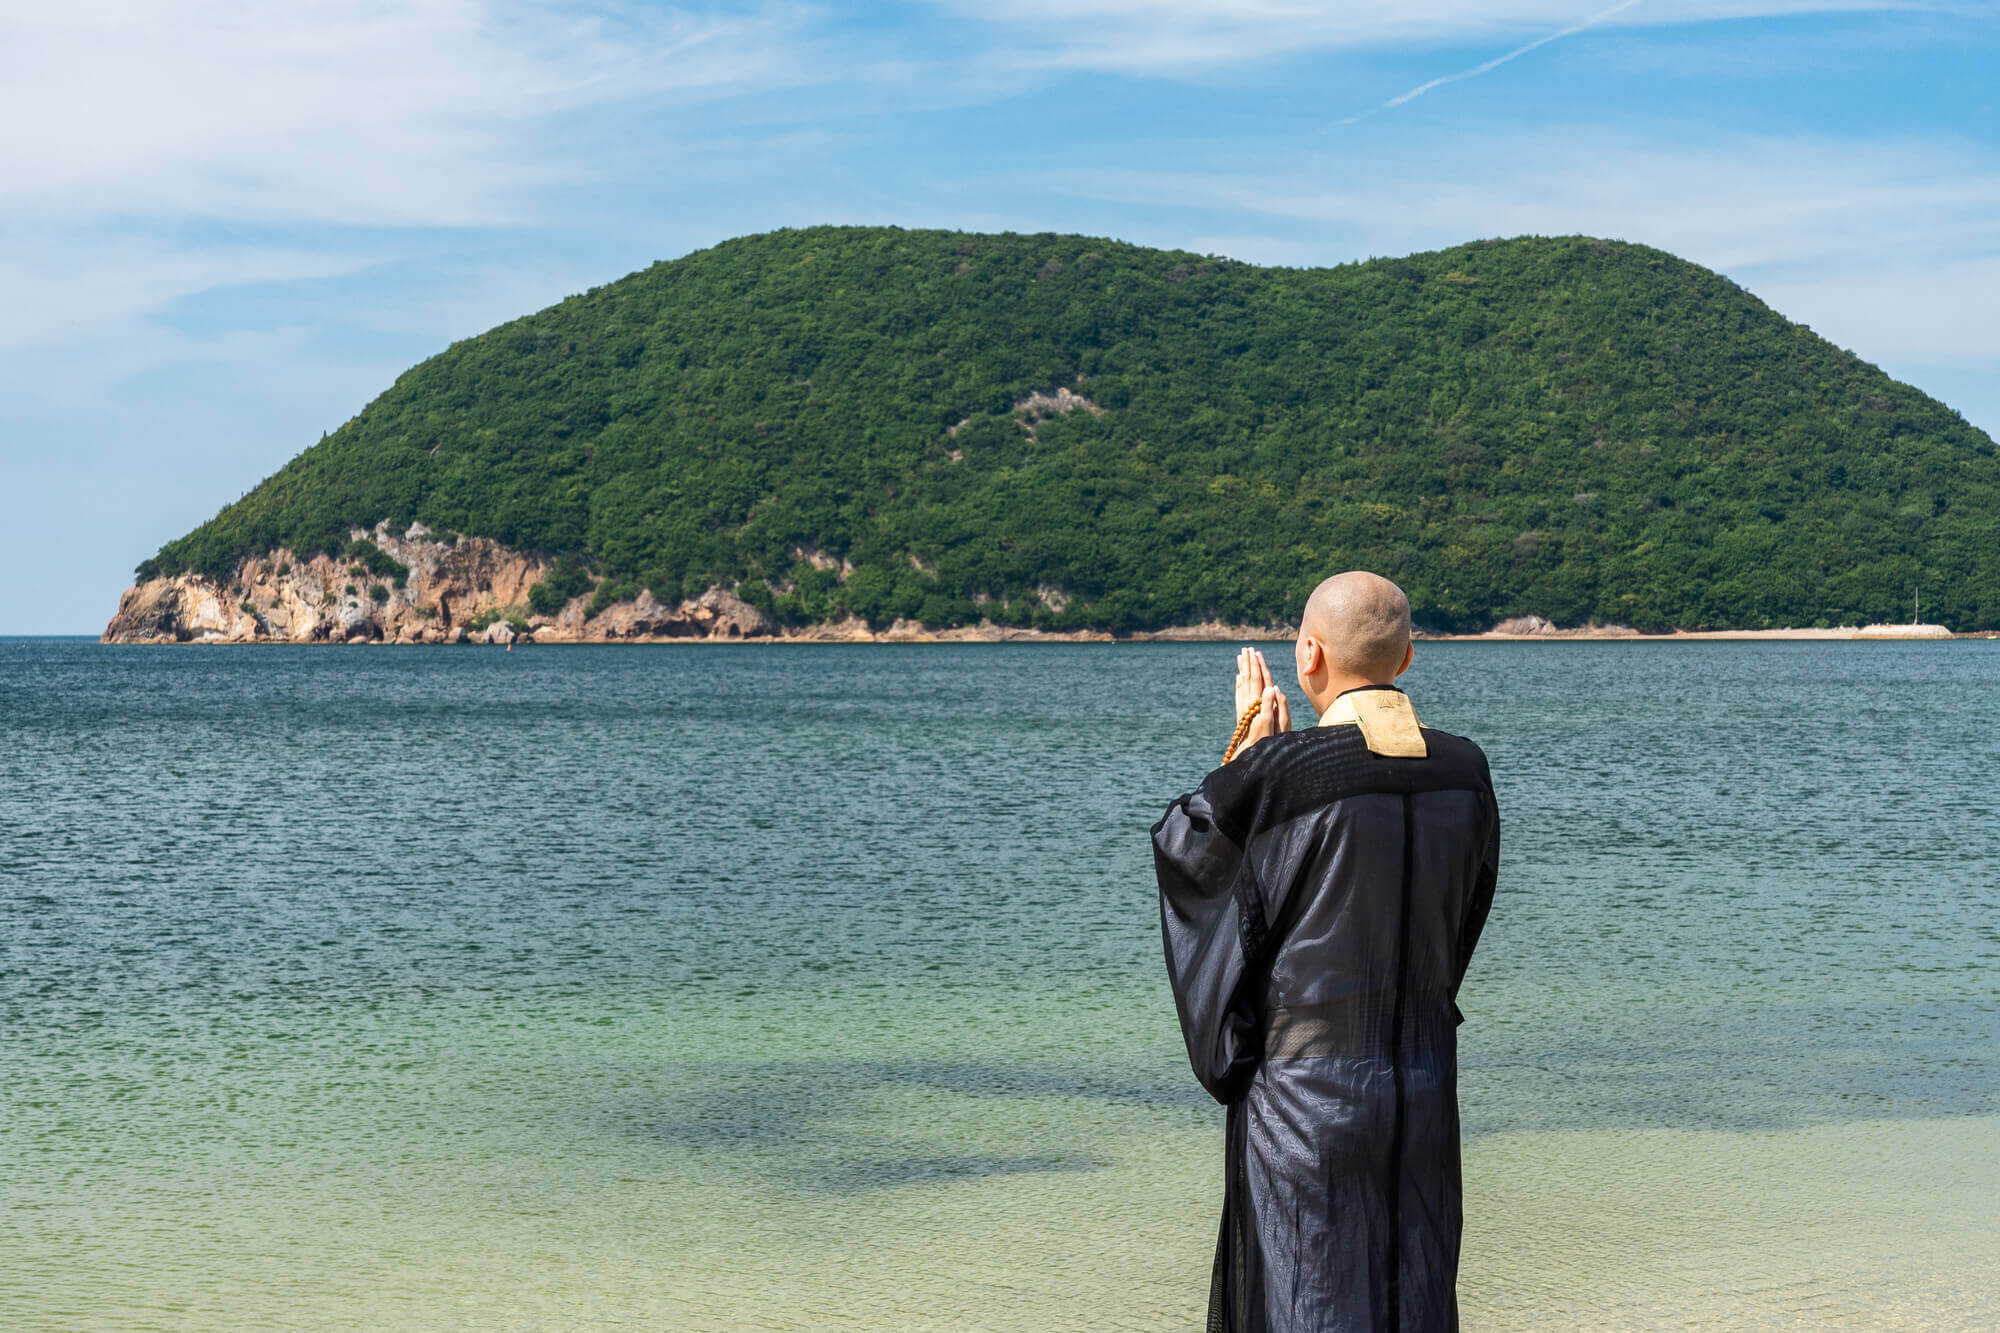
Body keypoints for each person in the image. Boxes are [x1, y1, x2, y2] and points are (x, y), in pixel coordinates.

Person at [1153, 571, 1500, 1332]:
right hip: (1422, 1086)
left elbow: (1195, 860)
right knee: (1414, 1285)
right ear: (1407, 657)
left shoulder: (1281, 778)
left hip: (1303, 1106)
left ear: (1308, 654)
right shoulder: (1467, 774)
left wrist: (1248, 753)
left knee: (1304, 1297)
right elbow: (1458, 927)